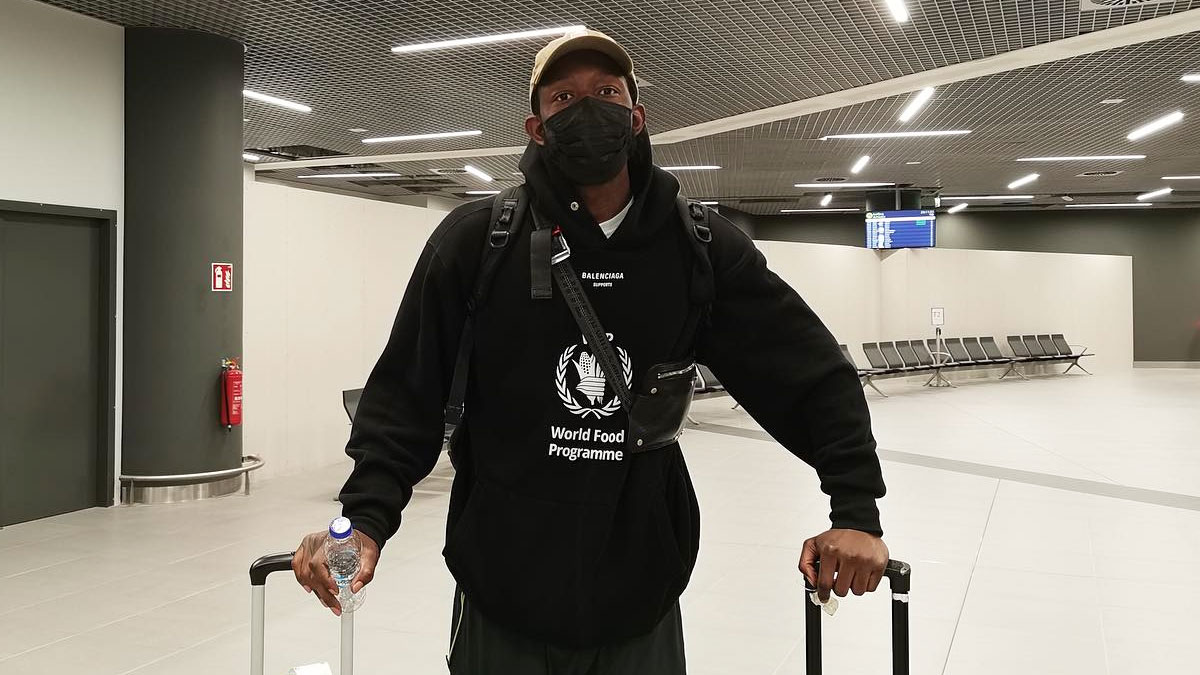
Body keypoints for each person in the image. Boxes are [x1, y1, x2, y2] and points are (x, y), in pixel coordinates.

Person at [293, 29, 890, 674]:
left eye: (606, 93)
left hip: (640, 589)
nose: (587, 109)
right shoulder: (478, 242)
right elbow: (409, 390)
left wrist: (855, 510)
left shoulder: (697, 248)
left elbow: (807, 373)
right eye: (563, 98)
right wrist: (364, 520)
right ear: (537, 128)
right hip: (502, 587)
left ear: (636, 118)